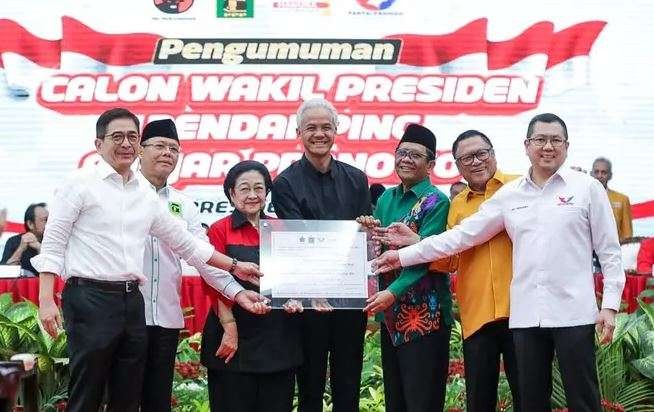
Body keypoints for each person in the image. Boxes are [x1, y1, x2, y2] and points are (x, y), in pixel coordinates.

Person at [374, 113, 625, 411]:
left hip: (574, 312)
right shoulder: (511, 195)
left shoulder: (587, 188)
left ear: (566, 146)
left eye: (555, 140)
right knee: (531, 402)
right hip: (526, 315)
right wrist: (402, 255)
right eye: (540, 140)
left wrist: (609, 306)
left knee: (583, 400)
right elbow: (460, 237)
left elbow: (610, 252)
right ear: (527, 145)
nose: (548, 146)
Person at [32, 108, 269, 412]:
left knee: (127, 397)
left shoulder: (144, 194)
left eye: (132, 136)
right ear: (98, 143)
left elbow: (187, 245)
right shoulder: (79, 183)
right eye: (117, 137)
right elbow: (54, 241)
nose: (126, 143)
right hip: (89, 298)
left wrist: (236, 270)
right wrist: (46, 299)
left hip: (133, 303)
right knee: (87, 393)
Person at [377, 129, 522, 411]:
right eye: (466, 158)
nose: (476, 162)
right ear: (457, 165)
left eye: (481, 154)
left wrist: (413, 248)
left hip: (520, 311)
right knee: (477, 401)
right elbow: (449, 258)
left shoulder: (518, 189)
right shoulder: (456, 204)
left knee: (529, 398)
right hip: (475, 315)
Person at [137, 119, 251, 412]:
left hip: (165, 316)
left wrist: (237, 292)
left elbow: (202, 256)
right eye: (159, 146)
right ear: (139, 150)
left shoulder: (183, 204)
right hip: (125, 315)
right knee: (120, 398)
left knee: (158, 400)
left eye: (174, 148)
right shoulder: (122, 192)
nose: (167, 153)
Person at [272, 98, 371, 412]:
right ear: (298, 132)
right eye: (311, 127)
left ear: (336, 130)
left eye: (326, 127)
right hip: (308, 300)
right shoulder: (284, 183)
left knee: (349, 384)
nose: (319, 133)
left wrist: (367, 229)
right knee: (310, 386)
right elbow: (296, 243)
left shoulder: (357, 179)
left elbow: (361, 240)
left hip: (350, 300)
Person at [358, 123, 453, 411]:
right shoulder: (386, 197)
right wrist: (366, 232)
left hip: (427, 316)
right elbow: (379, 249)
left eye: (415, 155)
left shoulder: (437, 202)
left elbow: (426, 256)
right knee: (396, 400)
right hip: (391, 315)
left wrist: (392, 292)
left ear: (431, 164)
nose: (406, 160)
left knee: (422, 400)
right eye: (402, 153)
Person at [201, 160, 303, 412]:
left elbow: (294, 276)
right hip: (232, 338)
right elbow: (213, 282)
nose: (252, 195)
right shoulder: (219, 229)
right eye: (244, 188)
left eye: (259, 188)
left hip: (278, 339)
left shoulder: (282, 228)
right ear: (231, 194)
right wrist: (229, 327)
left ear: (267, 193)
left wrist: (295, 299)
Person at [591, 157, 633, 242]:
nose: (599, 176)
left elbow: (627, 234)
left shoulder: (622, 199)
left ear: (610, 175)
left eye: (604, 172)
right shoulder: (581, 198)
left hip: (612, 252)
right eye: (596, 172)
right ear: (591, 174)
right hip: (585, 252)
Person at [1, 203, 48, 275]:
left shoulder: (52, 241)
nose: (49, 223)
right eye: (45, 220)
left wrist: (39, 248)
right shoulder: (13, 241)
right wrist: (20, 249)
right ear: (30, 224)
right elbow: (4, 273)